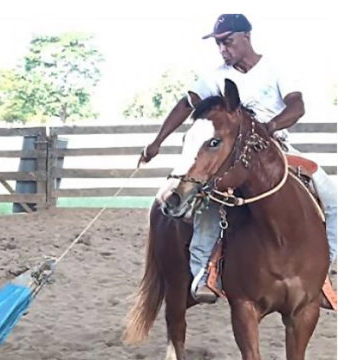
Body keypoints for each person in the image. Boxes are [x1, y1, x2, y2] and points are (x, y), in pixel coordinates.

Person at [141, 13, 337, 304]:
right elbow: (185, 105)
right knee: (209, 200)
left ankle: (326, 268)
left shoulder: (275, 70)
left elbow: (297, 107)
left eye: (228, 42)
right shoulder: (214, 77)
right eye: (219, 44)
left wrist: (271, 127)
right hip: (232, 158)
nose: (223, 50)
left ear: (246, 37)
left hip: (277, 150)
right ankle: (203, 275)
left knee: (331, 193)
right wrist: (157, 141)